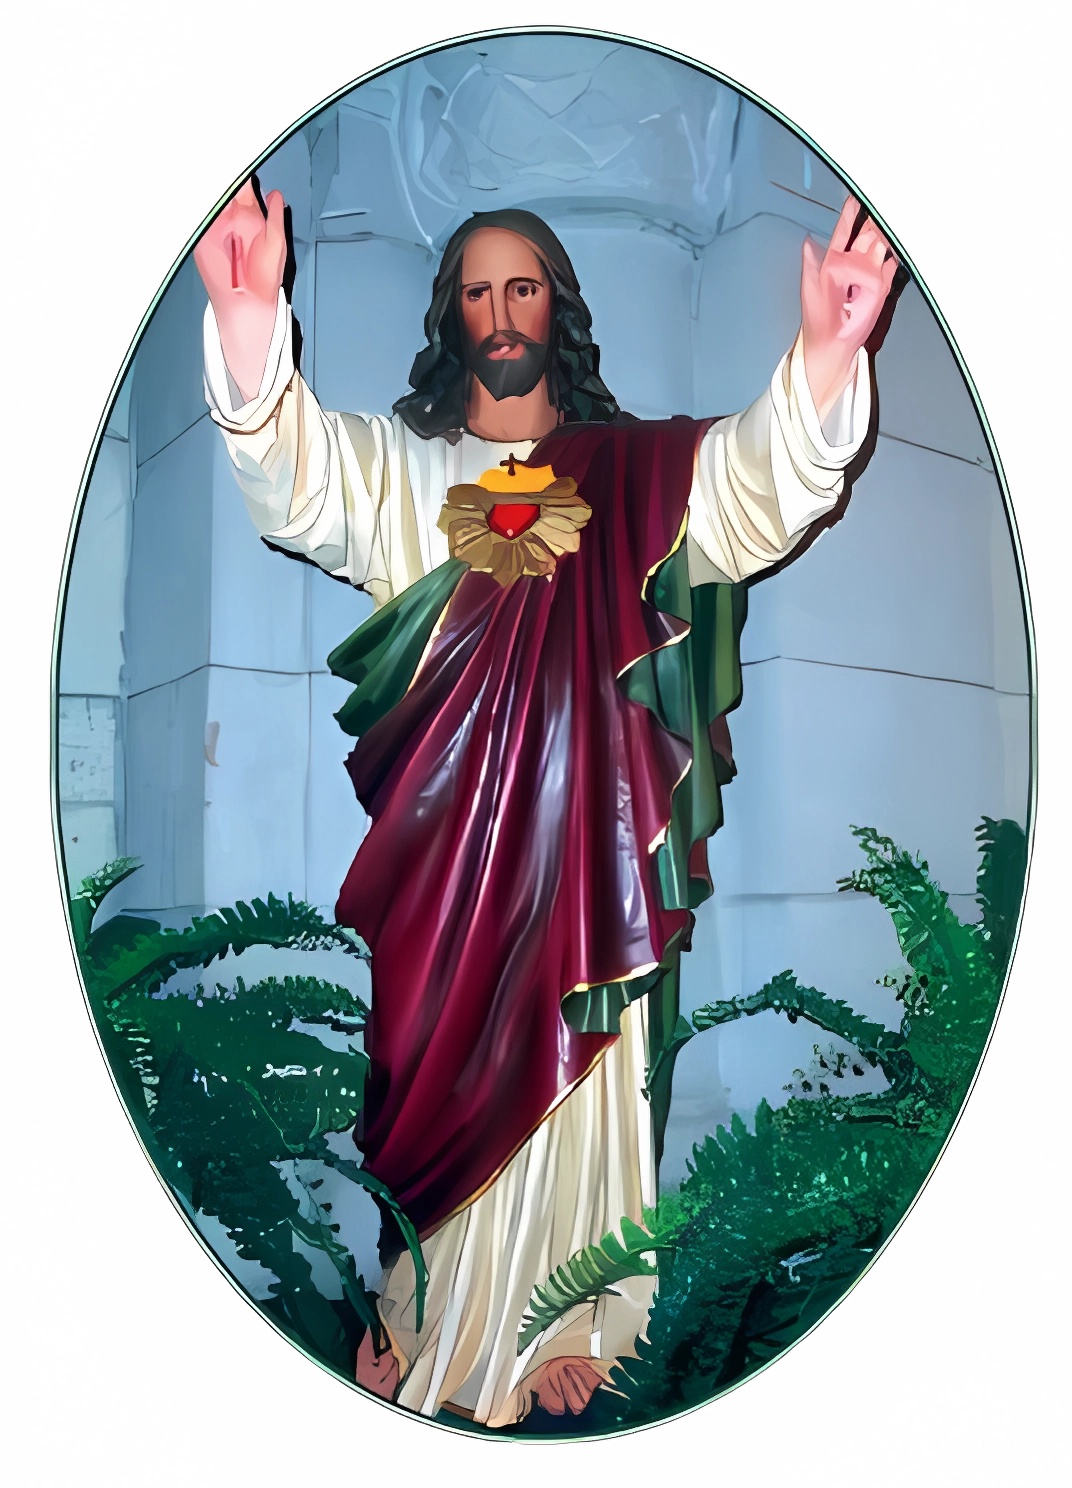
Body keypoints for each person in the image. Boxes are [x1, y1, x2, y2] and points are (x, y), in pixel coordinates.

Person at [194, 182, 898, 1427]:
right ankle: (423, 1311)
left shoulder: (634, 474)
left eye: (522, 286)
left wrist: (827, 354)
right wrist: (251, 331)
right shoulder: (403, 475)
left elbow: (751, 483)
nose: (501, 309)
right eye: (476, 290)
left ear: (556, 309)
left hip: (589, 855)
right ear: (451, 317)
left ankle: (578, 1315)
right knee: (433, 1074)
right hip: (447, 873)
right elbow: (300, 480)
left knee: (588, 1065)